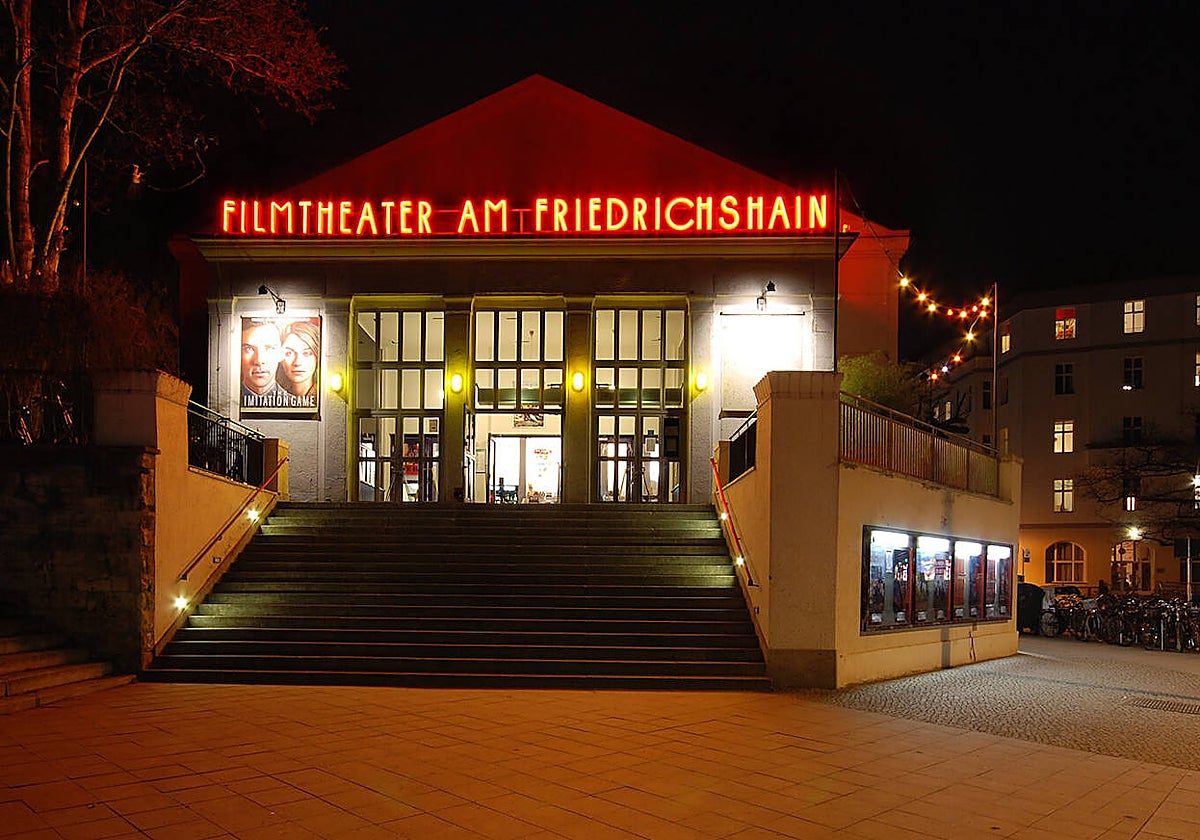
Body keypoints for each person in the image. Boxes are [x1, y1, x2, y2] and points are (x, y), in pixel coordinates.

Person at [241, 320, 285, 406]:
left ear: (281, 353)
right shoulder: (226, 404)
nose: (259, 361)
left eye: (269, 348)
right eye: (249, 349)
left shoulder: (295, 405)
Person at [278, 320, 320, 401]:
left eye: (306, 353)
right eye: (289, 353)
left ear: (317, 357)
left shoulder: (325, 399)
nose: (297, 362)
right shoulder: (272, 398)